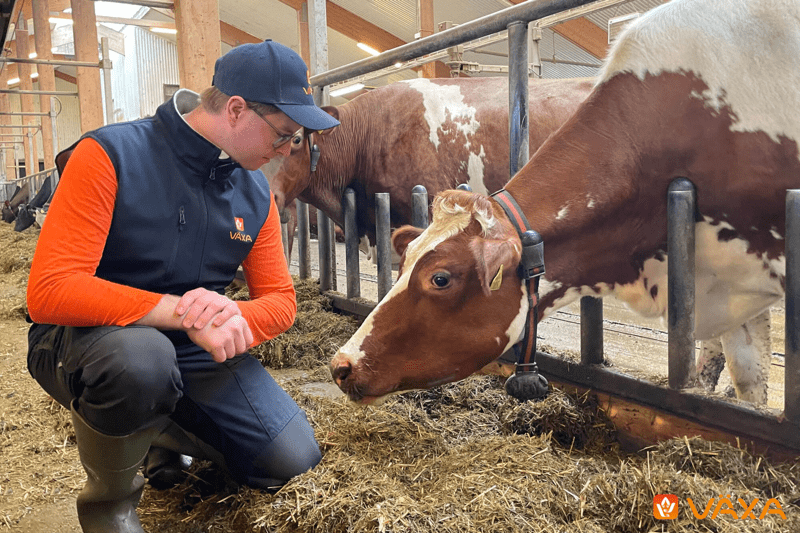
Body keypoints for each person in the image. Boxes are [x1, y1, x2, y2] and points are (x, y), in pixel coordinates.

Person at [25, 40, 339, 533]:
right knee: (140, 363)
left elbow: (280, 302)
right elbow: (50, 291)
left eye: (294, 140)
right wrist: (184, 313)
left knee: (291, 459)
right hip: (88, 341)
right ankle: (111, 506)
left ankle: (158, 434)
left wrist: (229, 316)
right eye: (283, 135)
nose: (284, 151)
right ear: (236, 109)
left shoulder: (255, 193)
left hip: (192, 349)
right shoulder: (110, 154)